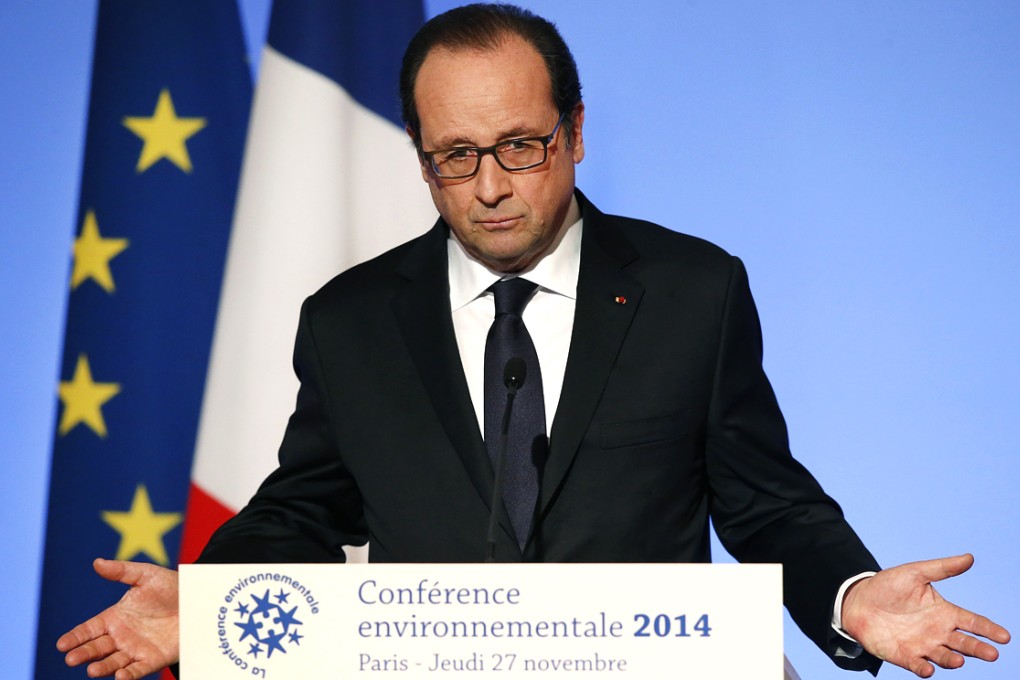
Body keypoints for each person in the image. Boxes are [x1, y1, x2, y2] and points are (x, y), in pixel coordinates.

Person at [57, 4, 1009, 679]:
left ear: (576, 132)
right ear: (423, 159)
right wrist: (214, 600)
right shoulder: (351, 320)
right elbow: (304, 511)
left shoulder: (692, 291)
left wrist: (848, 595)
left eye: (521, 145)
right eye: (456, 156)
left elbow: (766, 504)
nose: (491, 185)